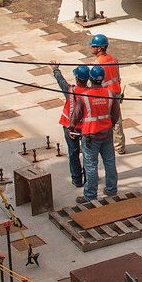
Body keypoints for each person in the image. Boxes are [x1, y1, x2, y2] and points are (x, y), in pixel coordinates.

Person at [70, 67, 119, 203]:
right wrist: (109, 124)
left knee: (91, 165)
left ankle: (90, 195)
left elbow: (76, 116)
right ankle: (111, 189)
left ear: (90, 79)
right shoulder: (110, 93)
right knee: (110, 162)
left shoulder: (84, 97)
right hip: (107, 133)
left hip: (91, 135)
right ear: (102, 78)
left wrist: (71, 127)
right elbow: (115, 115)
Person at [52, 64, 87, 192]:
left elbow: (61, 82)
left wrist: (55, 69)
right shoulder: (90, 93)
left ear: (77, 79)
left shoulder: (70, 90)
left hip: (69, 127)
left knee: (73, 153)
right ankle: (89, 178)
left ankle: (77, 179)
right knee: (87, 154)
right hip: (85, 128)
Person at [89, 34, 124, 151]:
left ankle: (108, 145)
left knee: (104, 119)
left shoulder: (97, 64)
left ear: (99, 48)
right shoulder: (114, 59)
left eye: (93, 46)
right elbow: (118, 77)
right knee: (117, 119)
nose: (91, 48)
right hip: (116, 92)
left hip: (106, 95)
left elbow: (94, 82)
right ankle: (120, 146)